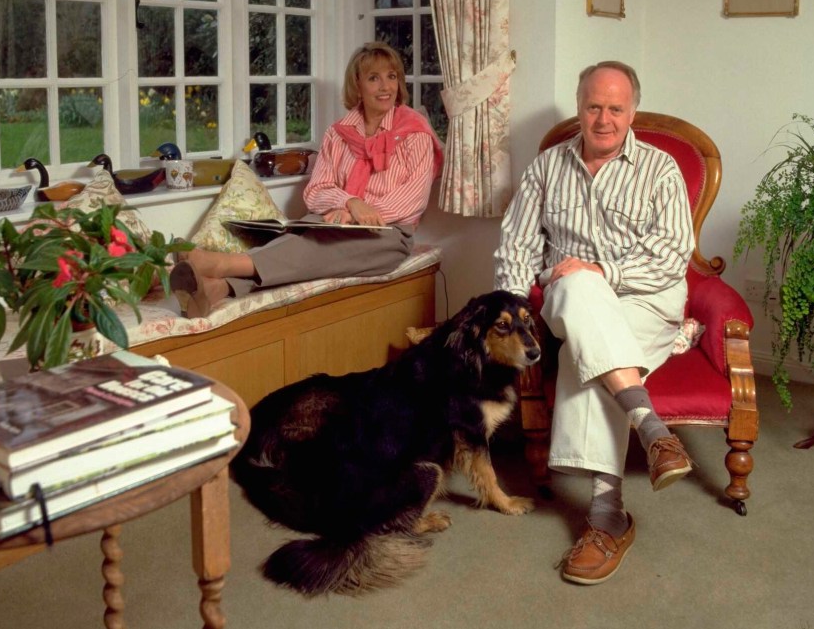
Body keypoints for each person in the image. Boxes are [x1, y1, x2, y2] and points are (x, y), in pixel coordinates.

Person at [493, 61, 695, 585]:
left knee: (587, 352)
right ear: (579, 106)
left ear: (633, 112)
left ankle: (607, 518)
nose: (603, 119)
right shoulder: (546, 168)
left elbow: (673, 254)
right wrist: (515, 310)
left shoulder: (661, 169)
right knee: (579, 289)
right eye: (593, 106)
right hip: (572, 298)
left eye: (616, 108)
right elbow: (515, 244)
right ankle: (652, 430)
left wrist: (603, 270)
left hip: (648, 299)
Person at [170, 42, 443, 317]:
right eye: (374, 78)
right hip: (336, 221)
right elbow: (316, 191)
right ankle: (216, 289)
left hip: (388, 234)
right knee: (302, 236)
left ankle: (222, 265)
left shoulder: (415, 131)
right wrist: (350, 202)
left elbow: (413, 199)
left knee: (320, 248)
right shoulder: (338, 134)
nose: (385, 86)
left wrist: (359, 214)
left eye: (391, 76)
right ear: (357, 84)